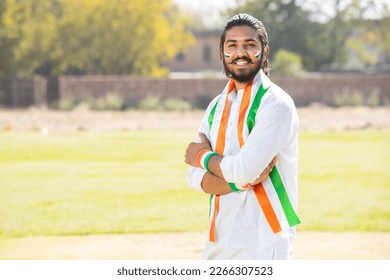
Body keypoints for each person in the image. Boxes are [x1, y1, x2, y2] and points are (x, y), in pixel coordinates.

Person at [184, 13, 300, 260]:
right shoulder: (216, 106)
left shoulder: (276, 104)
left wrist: (203, 157)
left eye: (250, 45)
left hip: (264, 239)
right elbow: (193, 177)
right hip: (220, 238)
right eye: (232, 45)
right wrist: (241, 181)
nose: (240, 52)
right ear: (222, 54)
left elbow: (238, 168)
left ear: (264, 51)